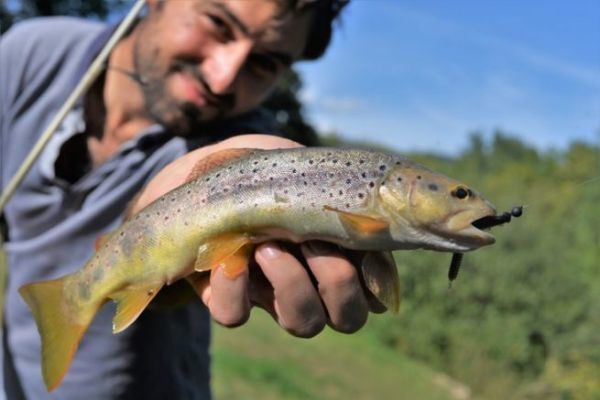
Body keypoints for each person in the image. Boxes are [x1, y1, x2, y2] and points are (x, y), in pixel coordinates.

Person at [0, 0, 387, 398]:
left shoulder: (246, 147)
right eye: (218, 24)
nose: (222, 79)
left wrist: (201, 207)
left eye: (264, 63)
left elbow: (171, 287)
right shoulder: (29, 54)